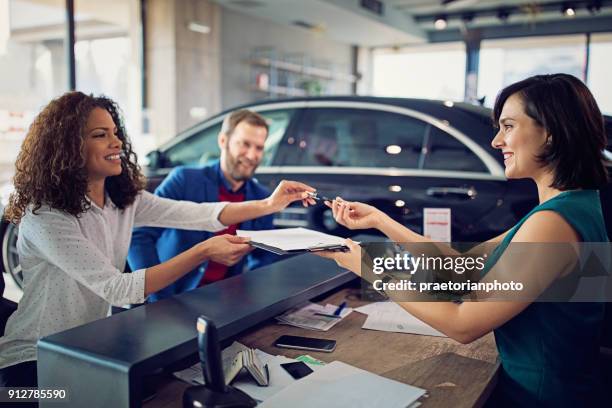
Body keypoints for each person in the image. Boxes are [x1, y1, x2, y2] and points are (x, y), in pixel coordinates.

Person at [318, 74, 609, 407]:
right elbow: (463, 262)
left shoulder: (552, 224)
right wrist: (380, 221)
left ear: (551, 134)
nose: (498, 141)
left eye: (509, 126)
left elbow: (463, 324)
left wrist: (367, 266)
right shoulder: (575, 206)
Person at [0, 92, 316, 388]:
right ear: (67, 148)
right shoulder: (45, 215)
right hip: (31, 360)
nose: (116, 141)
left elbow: (198, 214)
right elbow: (118, 287)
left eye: (114, 132)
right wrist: (204, 250)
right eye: (101, 135)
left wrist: (268, 204)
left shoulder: (121, 200)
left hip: (86, 347)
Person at [128, 110, 278, 302]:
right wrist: (157, 296)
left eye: (259, 148)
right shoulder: (184, 180)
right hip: (173, 295)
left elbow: (263, 258)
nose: (251, 155)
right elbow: (139, 236)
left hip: (224, 300)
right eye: (245, 144)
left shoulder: (262, 198)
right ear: (223, 141)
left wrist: (252, 299)